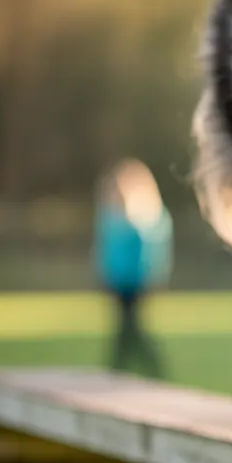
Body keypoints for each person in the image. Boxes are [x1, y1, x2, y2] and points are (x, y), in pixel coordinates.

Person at [95, 159, 173, 379]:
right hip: (118, 282)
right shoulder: (112, 218)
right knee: (127, 328)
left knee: (130, 328)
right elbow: (106, 252)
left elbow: (150, 256)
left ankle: (127, 368)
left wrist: (151, 277)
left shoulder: (144, 220)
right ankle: (122, 368)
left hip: (135, 283)